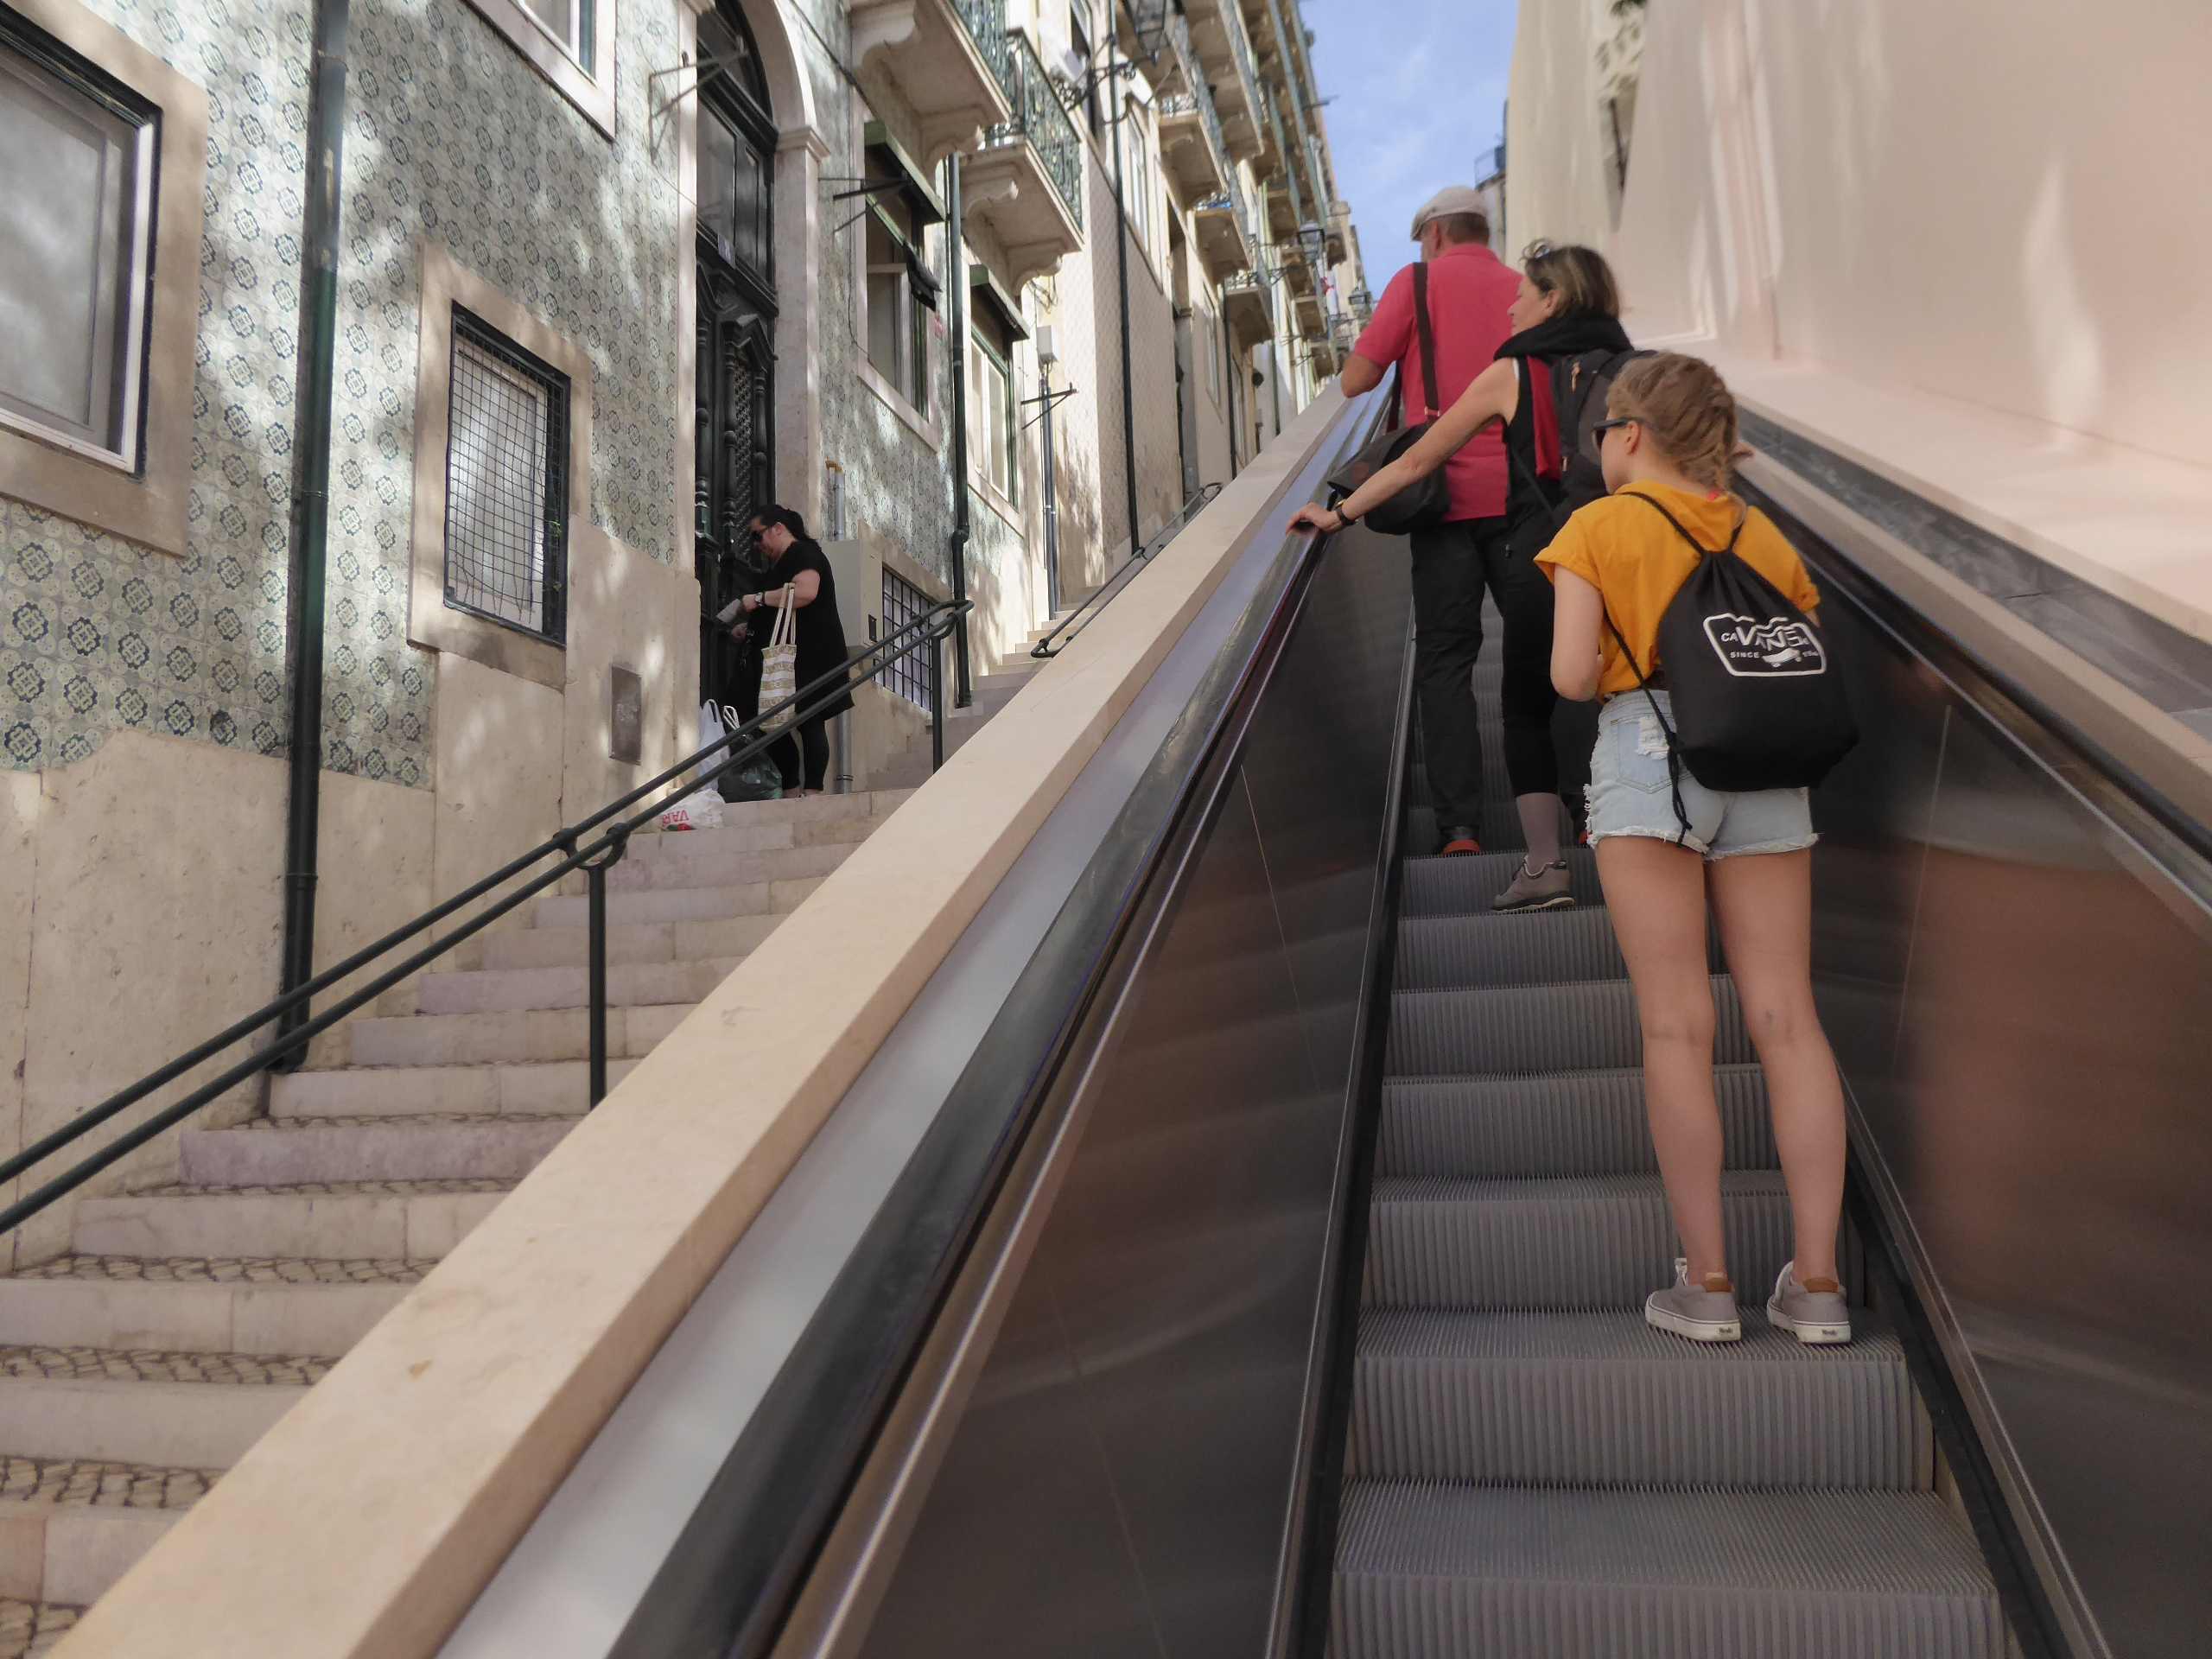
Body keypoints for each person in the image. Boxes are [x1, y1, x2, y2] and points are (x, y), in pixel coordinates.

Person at [1535, 352, 1853, 1347]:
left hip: (1649, 753)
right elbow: (1796, 650)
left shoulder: (1597, 526)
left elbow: (1573, 677)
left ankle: (1707, 1286)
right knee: (1787, 1019)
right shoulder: (1762, 533)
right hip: (1763, 755)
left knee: (1677, 1026)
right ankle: (1817, 1286)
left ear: (1627, 434)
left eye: (1601, 435)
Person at [1295, 242, 1634, 910]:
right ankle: (1614, 824)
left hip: (1543, 551)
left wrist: (1341, 513)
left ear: (1553, 300)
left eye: (1525, 294)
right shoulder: (1633, 369)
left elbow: (1419, 461)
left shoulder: (1513, 371)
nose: (1512, 303)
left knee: (1524, 702)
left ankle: (1538, 864)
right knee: (1607, 687)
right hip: (1621, 555)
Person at [1335, 188, 1521, 857]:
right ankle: (1581, 810)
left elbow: (1356, 382)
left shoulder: (1415, 284)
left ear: (1435, 234)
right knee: (1543, 651)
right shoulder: (1526, 290)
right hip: (1524, 504)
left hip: (1438, 504)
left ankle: (1461, 830)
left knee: (1445, 665)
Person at [735, 505, 851, 797]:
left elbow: (805, 593)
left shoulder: (804, 554)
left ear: (778, 528)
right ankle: (791, 787)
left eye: (757, 536)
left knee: (809, 719)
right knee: (768, 723)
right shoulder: (780, 564)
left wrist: (759, 599)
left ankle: (810, 793)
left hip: (811, 654)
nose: (756, 545)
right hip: (787, 657)